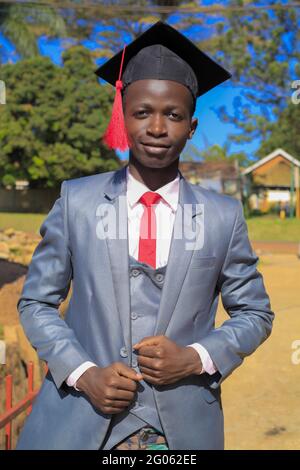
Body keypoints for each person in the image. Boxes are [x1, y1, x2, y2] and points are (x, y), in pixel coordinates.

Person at [16, 21, 274, 450]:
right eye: (142, 112)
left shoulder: (222, 216)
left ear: (191, 126)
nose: (157, 127)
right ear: (122, 115)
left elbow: (255, 314)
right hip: (81, 422)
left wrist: (195, 357)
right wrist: (84, 372)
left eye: (173, 115)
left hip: (182, 431)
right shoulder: (77, 201)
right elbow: (37, 301)